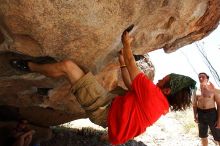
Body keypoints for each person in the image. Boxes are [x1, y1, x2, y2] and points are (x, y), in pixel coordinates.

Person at [10, 29, 196, 145]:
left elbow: (133, 64)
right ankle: (42, 67)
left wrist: (126, 44)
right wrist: (122, 60)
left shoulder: (154, 96)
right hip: (107, 108)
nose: (158, 81)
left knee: (68, 67)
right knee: (79, 71)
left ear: (168, 90)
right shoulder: (158, 106)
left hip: (103, 109)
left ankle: (28, 66)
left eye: (163, 80)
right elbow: (131, 83)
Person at [192, 72, 220, 146]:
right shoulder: (196, 90)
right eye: (199, 77)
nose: (201, 78)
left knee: (218, 137)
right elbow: (194, 105)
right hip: (201, 114)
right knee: (203, 136)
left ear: (207, 79)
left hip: (212, 114)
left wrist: (219, 119)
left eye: (203, 77)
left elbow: (219, 104)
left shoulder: (213, 90)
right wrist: (195, 115)